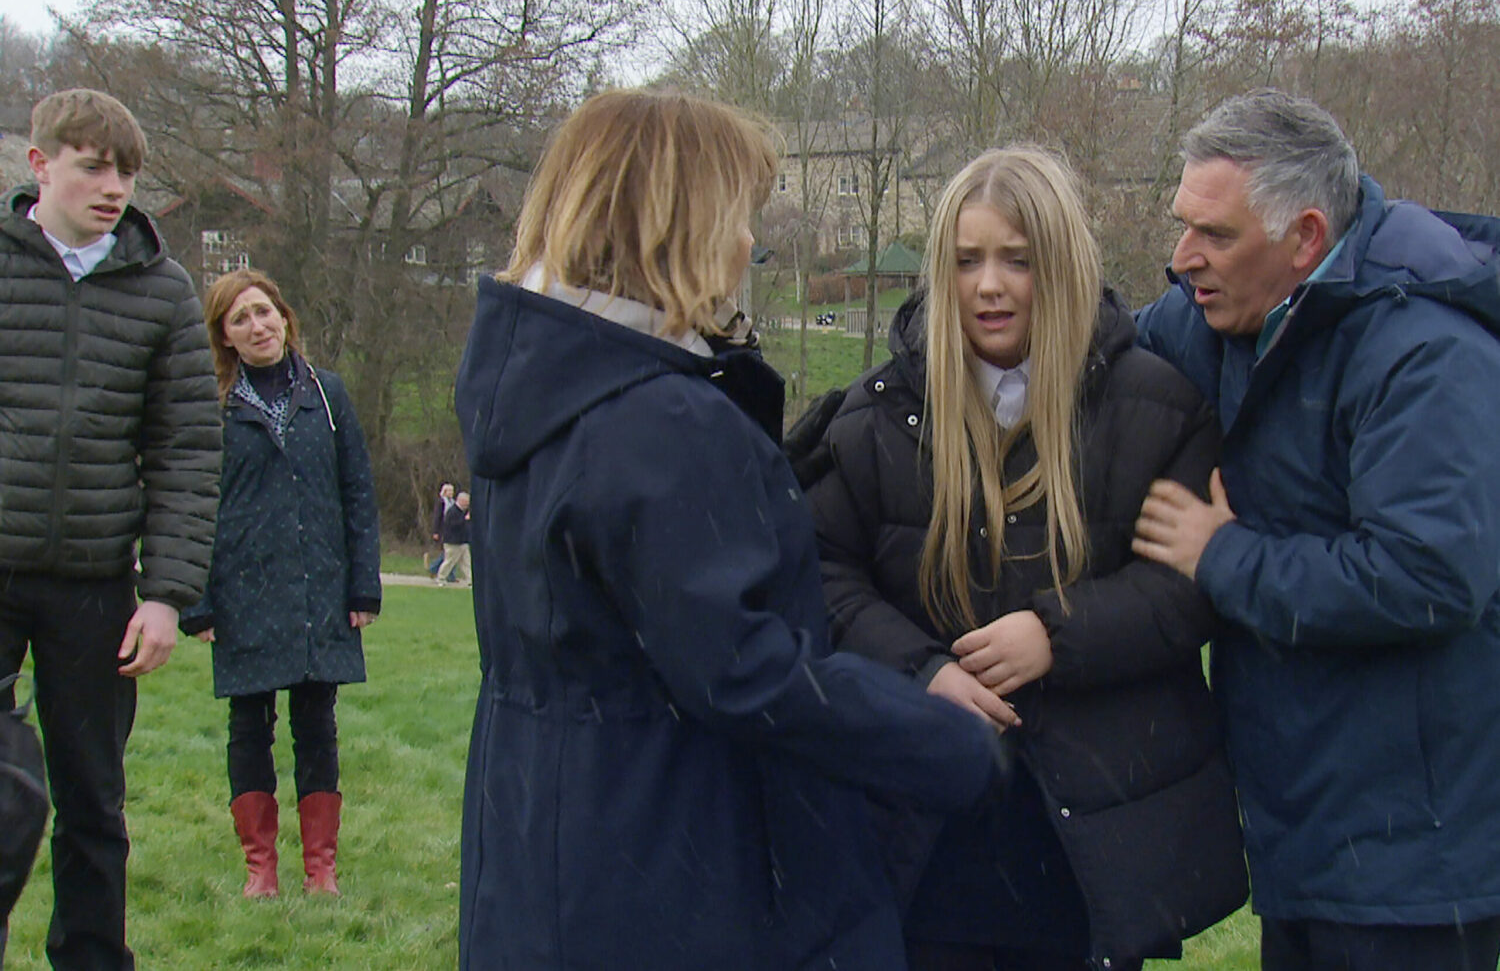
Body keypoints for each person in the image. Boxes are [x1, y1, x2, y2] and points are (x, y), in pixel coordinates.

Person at [453, 88, 1013, 971]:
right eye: (740, 215)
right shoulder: (658, 422)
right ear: (680, 221)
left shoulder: (539, 391)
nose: (752, 243)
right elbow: (741, 671)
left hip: (542, 850)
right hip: (671, 860)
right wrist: (938, 740)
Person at [804, 145, 1248, 971]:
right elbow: (824, 575)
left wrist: (1057, 634)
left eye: (1017, 259)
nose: (989, 285)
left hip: (1088, 840)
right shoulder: (875, 417)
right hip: (924, 830)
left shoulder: (1158, 405)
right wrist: (920, 671)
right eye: (967, 261)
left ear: (1064, 264)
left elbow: (1186, 587)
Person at [1132, 89, 1500, 971]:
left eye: (1214, 235)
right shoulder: (1219, 316)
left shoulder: (1425, 352)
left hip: (1418, 858)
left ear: (1304, 238)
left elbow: (1429, 575)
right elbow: (1092, 349)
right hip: (1306, 835)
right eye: (1184, 226)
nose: (1182, 259)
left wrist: (1223, 555)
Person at [0, 88, 220, 969]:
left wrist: (165, 594)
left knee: (92, 798)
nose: (113, 186)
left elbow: (186, 451)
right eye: (93, 165)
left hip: (96, 584)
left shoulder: (162, 290)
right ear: (39, 164)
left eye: (126, 170)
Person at [179, 268, 381, 900]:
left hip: (318, 586)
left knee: (317, 724)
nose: (257, 326)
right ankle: (259, 870)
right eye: (240, 319)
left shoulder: (327, 395)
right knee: (249, 727)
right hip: (243, 590)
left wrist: (362, 586)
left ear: (285, 317)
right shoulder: (209, 407)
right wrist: (196, 598)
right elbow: (188, 502)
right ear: (224, 337)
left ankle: (321, 869)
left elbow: (357, 491)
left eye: (264, 312)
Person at [435, 491, 471, 587]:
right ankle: (441, 578)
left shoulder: (463, 512)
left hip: (463, 541)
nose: (468, 504)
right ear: (461, 500)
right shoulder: (452, 511)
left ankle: (470, 580)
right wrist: (465, 519)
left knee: (466, 563)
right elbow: (452, 526)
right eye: (466, 501)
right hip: (452, 542)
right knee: (449, 562)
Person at [427, 482, 455, 577]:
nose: (451, 493)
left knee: (452, 553)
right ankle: (434, 568)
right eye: (449, 491)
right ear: (444, 491)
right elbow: (437, 517)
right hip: (443, 530)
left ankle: (449, 574)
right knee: (449, 553)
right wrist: (435, 531)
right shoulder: (441, 502)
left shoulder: (453, 502)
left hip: (451, 530)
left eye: (452, 491)